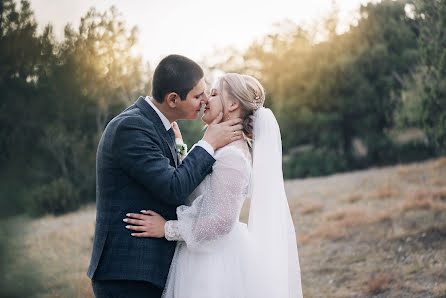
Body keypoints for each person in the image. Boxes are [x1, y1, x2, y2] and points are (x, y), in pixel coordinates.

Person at [125, 73, 303, 297]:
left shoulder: (232, 157)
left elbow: (221, 222)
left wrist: (166, 229)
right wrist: (180, 146)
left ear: (233, 104)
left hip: (214, 265)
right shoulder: (220, 148)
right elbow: (193, 182)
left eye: (214, 93)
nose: (206, 100)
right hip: (200, 255)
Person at [87, 55, 244, 298]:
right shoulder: (131, 127)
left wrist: (184, 149)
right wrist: (208, 143)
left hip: (150, 270)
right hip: (129, 274)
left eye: (207, 93)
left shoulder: (162, 127)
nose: (204, 101)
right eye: (197, 95)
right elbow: (173, 187)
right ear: (172, 99)